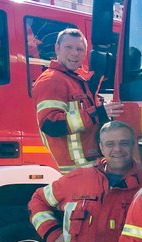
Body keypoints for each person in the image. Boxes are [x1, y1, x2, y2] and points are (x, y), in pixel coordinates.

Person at [32, 28, 123, 173]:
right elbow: (51, 124)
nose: (75, 53)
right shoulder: (51, 80)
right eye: (69, 47)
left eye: (80, 49)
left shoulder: (78, 80)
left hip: (89, 168)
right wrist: (97, 113)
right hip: (74, 172)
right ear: (57, 48)